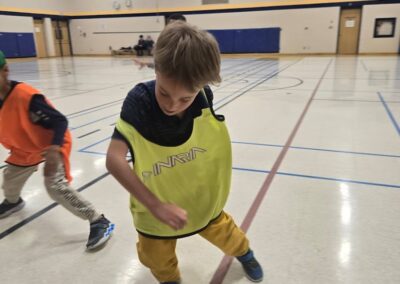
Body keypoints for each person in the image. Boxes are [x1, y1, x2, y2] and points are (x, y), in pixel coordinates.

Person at [106, 22, 263, 283]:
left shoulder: (204, 96)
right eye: (164, 93)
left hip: (199, 195)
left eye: (185, 99)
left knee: (226, 232)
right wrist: (155, 205)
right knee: (154, 256)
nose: (172, 105)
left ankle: (245, 253)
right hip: (156, 203)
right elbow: (114, 159)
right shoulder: (139, 102)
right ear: (156, 69)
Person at [0, 50, 114, 250]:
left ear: (5, 71)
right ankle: (13, 201)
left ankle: (98, 220)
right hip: (24, 147)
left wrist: (53, 149)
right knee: (10, 177)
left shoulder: (26, 97)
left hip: (51, 143)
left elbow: (60, 121)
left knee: (55, 186)